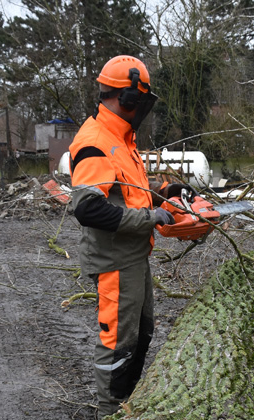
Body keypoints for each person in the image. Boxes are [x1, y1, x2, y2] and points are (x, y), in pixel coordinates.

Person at [68, 55, 187, 416]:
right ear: (129, 98)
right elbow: (89, 209)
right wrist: (152, 217)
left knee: (141, 334)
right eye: (141, 102)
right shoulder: (95, 142)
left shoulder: (120, 136)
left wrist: (165, 191)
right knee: (118, 343)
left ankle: (128, 403)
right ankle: (110, 410)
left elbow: (127, 192)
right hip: (114, 259)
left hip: (132, 255)